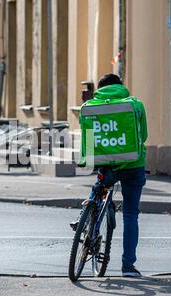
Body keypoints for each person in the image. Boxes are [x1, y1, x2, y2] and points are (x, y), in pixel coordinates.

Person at [71, 73, 148, 278]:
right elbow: (144, 136)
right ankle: (128, 267)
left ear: (100, 88)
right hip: (133, 164)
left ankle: (85, 217)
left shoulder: (89, 107)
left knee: (99, 187)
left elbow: (88, 137)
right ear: (121, 86)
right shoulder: (135, 105)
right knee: (131, 214)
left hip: (105, 164)